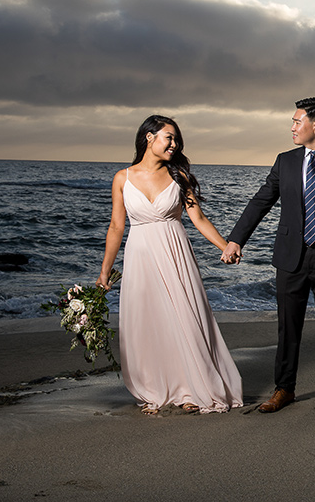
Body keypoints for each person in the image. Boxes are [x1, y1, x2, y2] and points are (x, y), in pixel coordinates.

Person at [221, 97, 315, 413]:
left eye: (297, 121)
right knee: (288, 326)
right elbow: (261, 201)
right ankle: (284, 389)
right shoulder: (285, 161)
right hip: (292, 255)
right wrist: (236, 240)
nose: (292, 127)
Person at [97, 115, 243, 414]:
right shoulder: (122, 178)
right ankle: (154, 389)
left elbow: (198, 219)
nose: (174, 145)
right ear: (149, 138)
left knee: (183, 316)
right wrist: (104, 273)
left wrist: (225, 245)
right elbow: (115, 226)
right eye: (169, 138)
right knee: (147, 321)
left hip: (175, 252)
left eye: (177, 140)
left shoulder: (179, 177)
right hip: (140, 256)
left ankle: (190, 389)